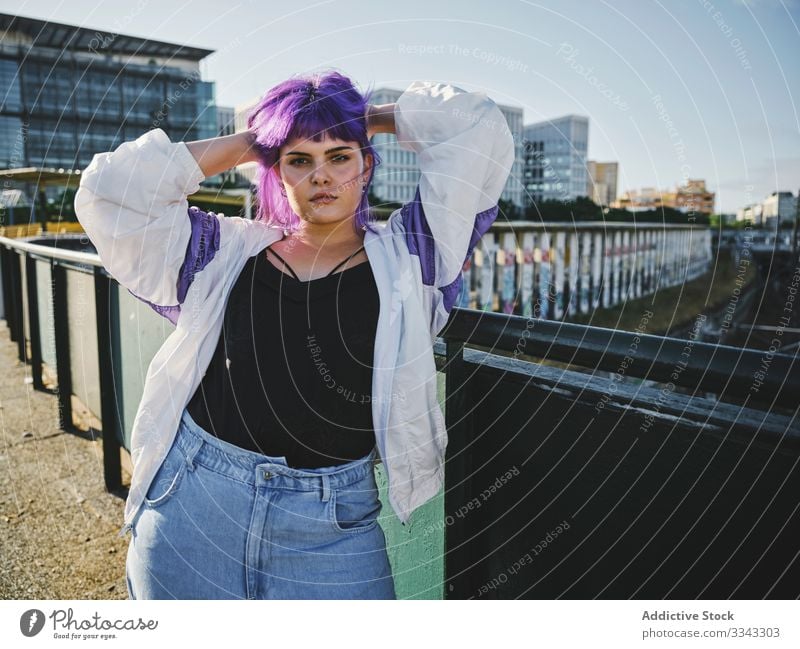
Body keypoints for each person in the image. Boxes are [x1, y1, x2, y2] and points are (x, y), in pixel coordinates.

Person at [74, 70, 515, 599]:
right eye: (299, 160)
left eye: (340, 156)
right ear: (275, 173)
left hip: (333, 528)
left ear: (367, 163)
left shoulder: (412, 258)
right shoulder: (221, 252)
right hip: (195, 506)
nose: (321, 176)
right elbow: (109, 193)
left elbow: (476, 130)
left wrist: (366, 119)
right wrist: (255, 141)